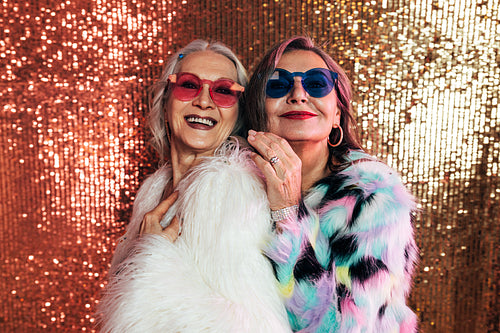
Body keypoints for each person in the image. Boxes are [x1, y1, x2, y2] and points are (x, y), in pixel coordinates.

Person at [97, 39, 290, 332]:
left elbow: (252, 325)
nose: (204, 101)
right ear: (166, 101)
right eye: (189, 85)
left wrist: (152, 256)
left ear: (238, 112)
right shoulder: (154, 189)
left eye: (224, 91)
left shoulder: (231, 191)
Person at [244, 36, 418, 332]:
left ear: (337, 113)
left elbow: (344, 327)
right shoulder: (234, 184)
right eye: (278, 85)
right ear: (259, 109)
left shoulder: (371, 197)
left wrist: (288, 213)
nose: (298, 94)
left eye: (316, 83)